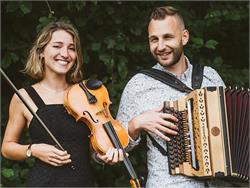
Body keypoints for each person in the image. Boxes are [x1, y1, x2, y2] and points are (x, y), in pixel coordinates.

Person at [116, 6, 234, 188]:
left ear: (184, 37)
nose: (160, 46)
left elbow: (233, 129)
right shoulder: (139, 85)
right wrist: (134, 125)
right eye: (154, 40)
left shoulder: (210, 77)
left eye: (168, 37)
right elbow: (113, 149)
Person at [1, 21, 124, 187]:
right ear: (41, 52)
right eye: (57, 46)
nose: (65, 53)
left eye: (71, 48)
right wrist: (33, 150)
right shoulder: (24, 97)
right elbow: (7, 148)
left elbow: (92, 149)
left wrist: (102, 156)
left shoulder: (86, 94)